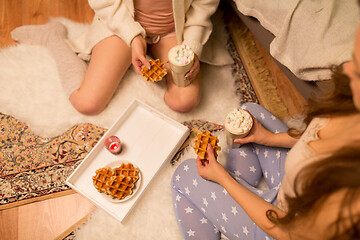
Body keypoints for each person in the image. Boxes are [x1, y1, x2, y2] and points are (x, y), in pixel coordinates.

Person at [171, 22, 360, 240]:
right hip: (294, 191)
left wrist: (222, 178)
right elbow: (315, 137)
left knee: (185, 175)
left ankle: (231, 211)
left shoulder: (350, 201)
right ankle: (235, 204)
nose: (345, 70)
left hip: (280, 226)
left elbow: (286, 231)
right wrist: (270, 138)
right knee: (249, 115)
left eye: (356, 70)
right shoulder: (351, 107)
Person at [11, 0, 221, 115]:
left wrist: (191, 47)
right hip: (122, 26)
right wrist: (132, 37)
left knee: (185, 101)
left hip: (173, 31)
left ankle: (135, 59)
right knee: (87, 103)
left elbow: (202, 8)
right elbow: (105, 4)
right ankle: (52, 37)